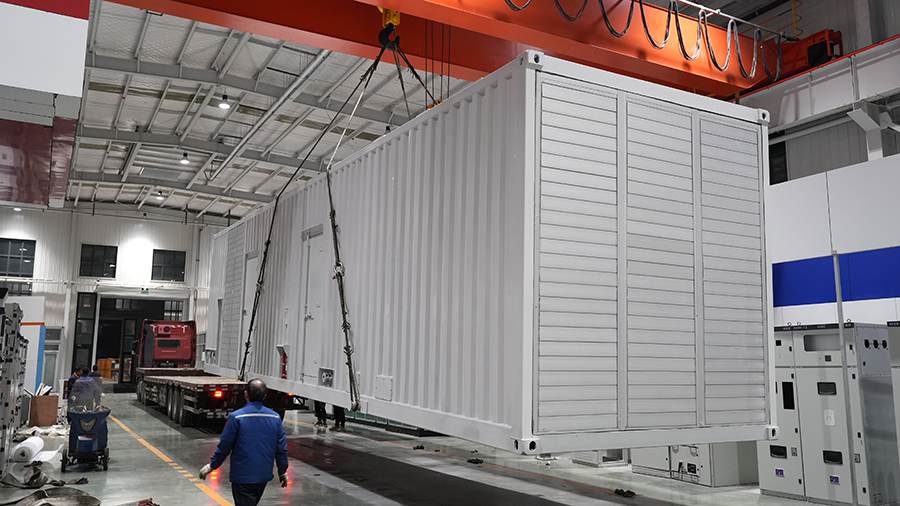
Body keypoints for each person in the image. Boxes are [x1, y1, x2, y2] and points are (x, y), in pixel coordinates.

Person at [200, 379, 288, 506]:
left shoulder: (236, 417)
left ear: (246, 394)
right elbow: (281, 449)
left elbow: (224, 446)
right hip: (263, 477)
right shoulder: (275, 418)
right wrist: (282, 471)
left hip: (242, 477)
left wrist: (212, 466)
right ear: (265, 395)